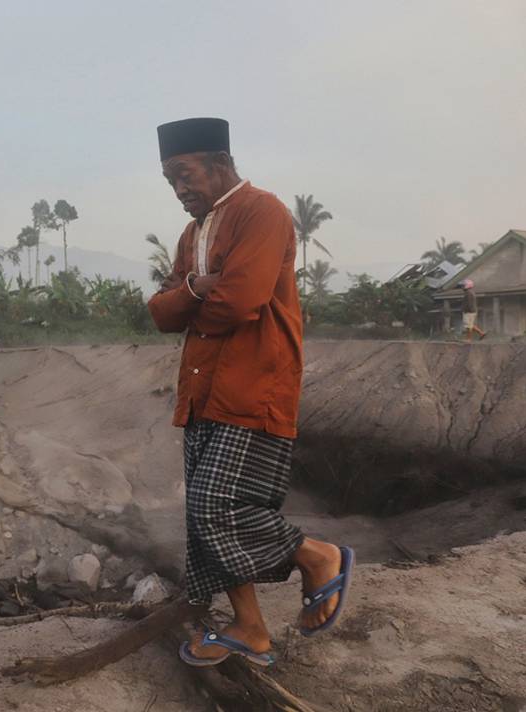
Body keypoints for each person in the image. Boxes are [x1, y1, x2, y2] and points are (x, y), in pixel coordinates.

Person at [147, 118, 353, 668]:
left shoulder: (261, 212)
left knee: (219, 504)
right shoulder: (193, 235)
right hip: (200, 392)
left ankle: (318, 556)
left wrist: (192, 303)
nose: (178, 189)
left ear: (219, 164)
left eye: (183, 175)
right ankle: (251, 628)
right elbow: (161, 311)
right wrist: (193, 288)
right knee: (201, 516)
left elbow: (240, 302)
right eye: (169, 181)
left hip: (254, 386)